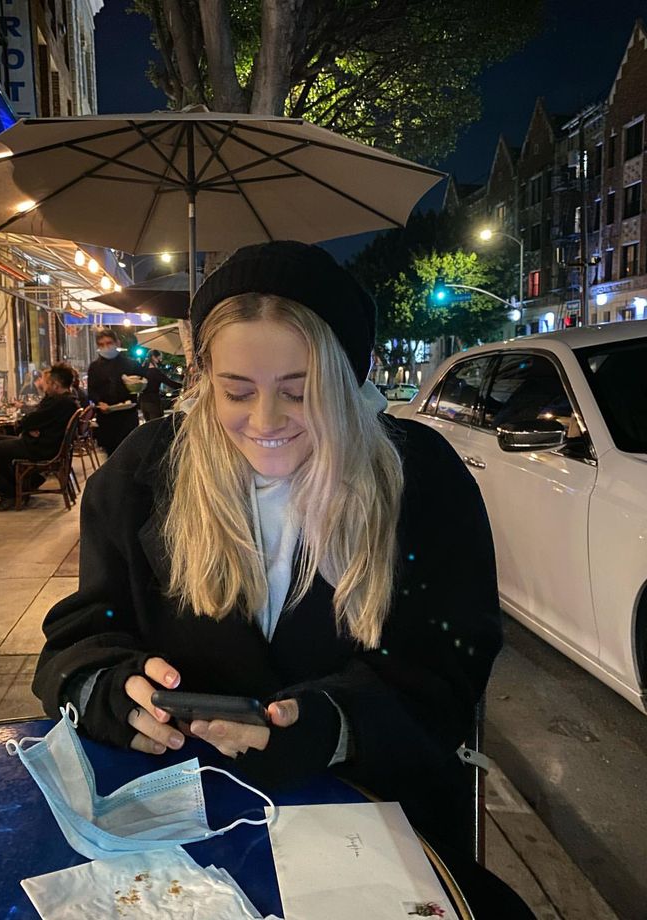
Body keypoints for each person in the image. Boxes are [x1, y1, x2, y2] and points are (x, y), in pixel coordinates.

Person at [33, 242, 530, 918]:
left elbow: (448, 673)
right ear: (205, 376)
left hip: (376, 834)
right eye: (237, 391)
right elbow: (80, 639)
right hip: (183, 850)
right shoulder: (145, 473)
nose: (265, 424)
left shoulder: (422, 480)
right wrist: (116, 693)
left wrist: (328, 724)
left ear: (350, 380)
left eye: (300, 392)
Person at [0, 363, 78, 511]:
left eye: (47, 383)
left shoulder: (58, 402)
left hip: (40, 448)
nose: (44, 387)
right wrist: (31, 427)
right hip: (42, 444)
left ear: (55, 384)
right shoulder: (68, 401)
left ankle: (8, 493)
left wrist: (29, 426)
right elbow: (35, 419)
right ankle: (19, 487)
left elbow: (30, 420)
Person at [86, 330, 142, 455]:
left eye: (109, 343)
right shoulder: (95, 367)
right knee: (111, 455)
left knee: (129, 454)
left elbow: (142, 384)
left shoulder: (131, 364)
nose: (106, 347)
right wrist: (99, 403)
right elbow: (91, 391)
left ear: (117, 343)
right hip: (107, 419)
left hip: (128, 417)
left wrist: (137, 385)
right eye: (101, 345)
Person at [139, 350, 182, 421]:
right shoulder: (155, 372)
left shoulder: (142, 370)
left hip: (143, 403)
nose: (160, 360)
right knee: (156, 427)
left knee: (148, 426)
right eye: (159, 358)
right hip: (153, 402)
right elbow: (170, 383)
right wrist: (184, 385)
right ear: (153, 357)